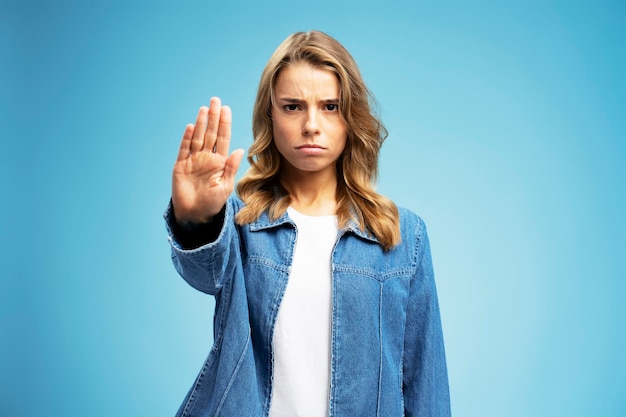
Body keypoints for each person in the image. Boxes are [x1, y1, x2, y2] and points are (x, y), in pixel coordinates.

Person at [165, 30, 450, 417]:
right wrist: (196, 218)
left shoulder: (403, 234)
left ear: (351, 116)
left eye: (330, 106)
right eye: (293, 106)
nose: (312, 125)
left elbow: (425, 381)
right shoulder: (240, 223)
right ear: (270, 114)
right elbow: (204, 271)